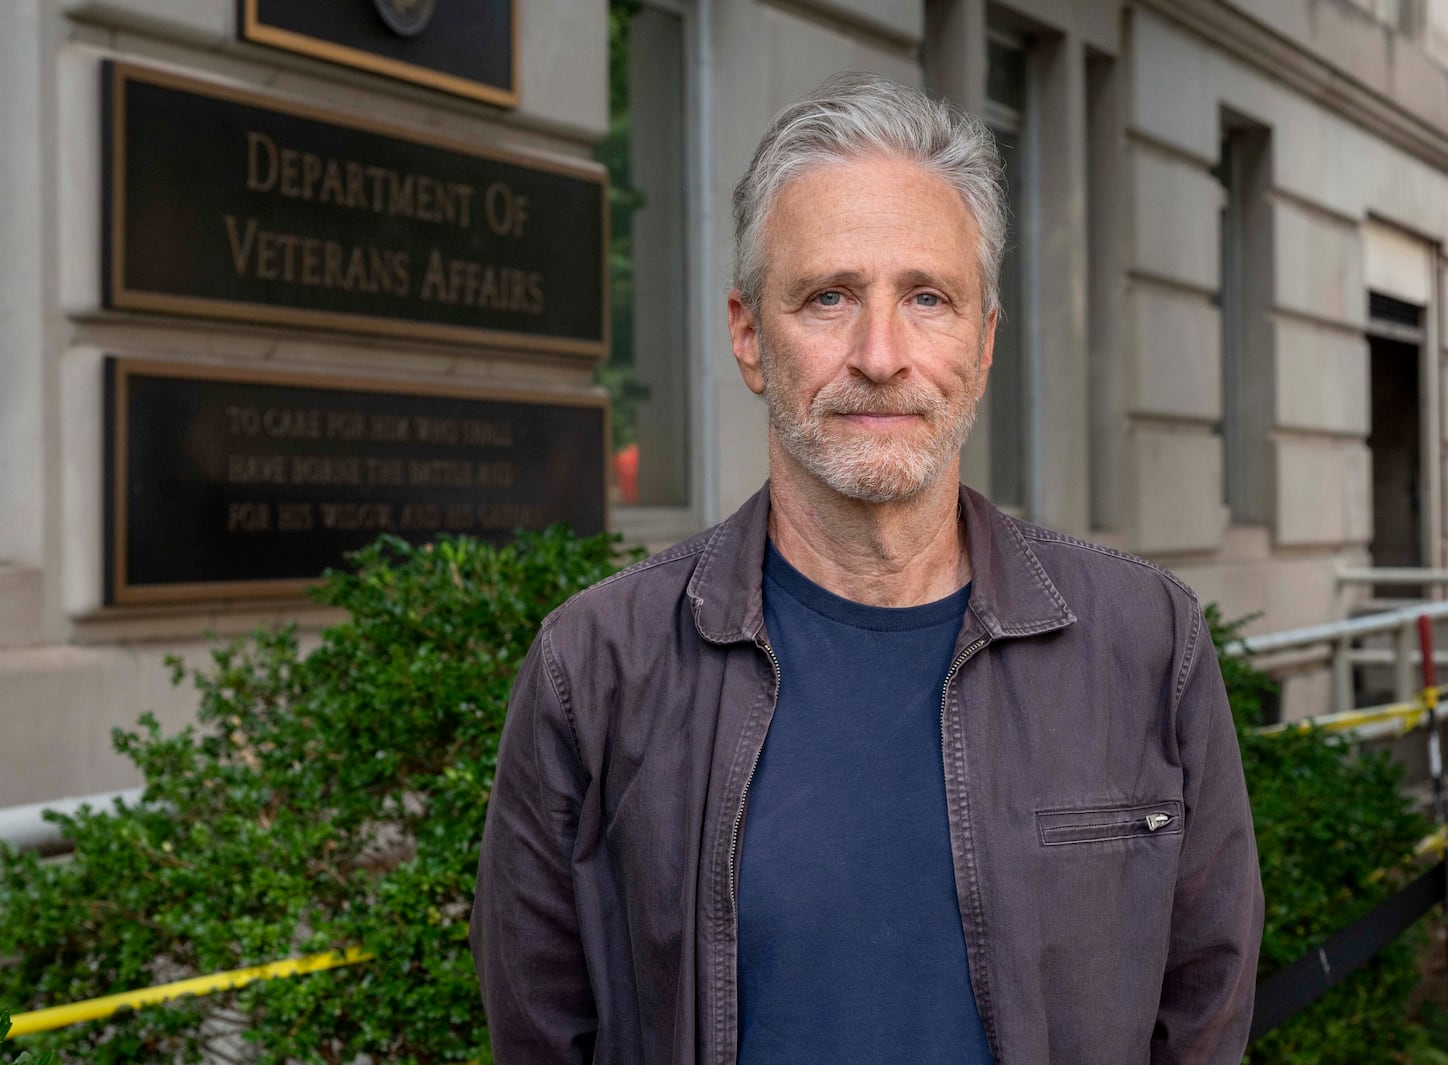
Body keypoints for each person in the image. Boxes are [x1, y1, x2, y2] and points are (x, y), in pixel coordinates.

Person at [471, 72, 1262, 1065]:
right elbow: (540, 1030)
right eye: (828, 297)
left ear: (983, 340)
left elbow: (1205, 1008)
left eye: (927, 298)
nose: (880, 355)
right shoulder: (596, 667)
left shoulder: (1144, 641)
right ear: (749, 335)